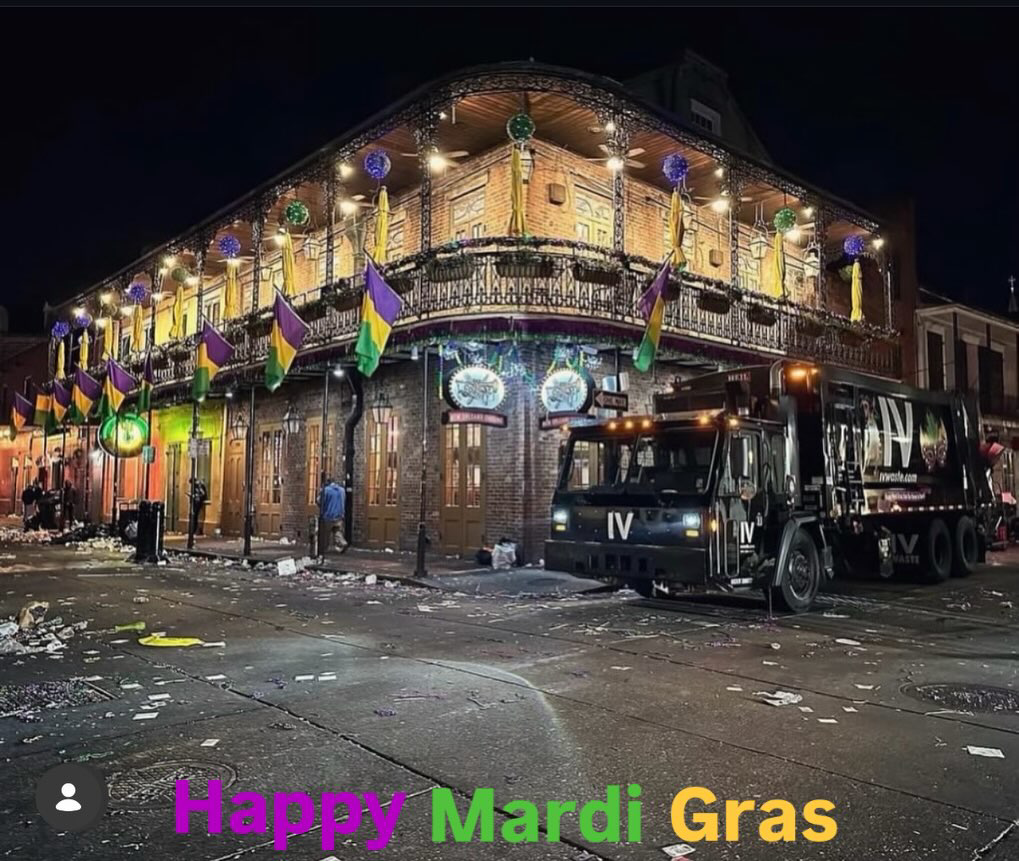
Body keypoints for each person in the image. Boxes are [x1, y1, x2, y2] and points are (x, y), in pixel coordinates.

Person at [317, 477, 348, 554]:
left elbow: (319, 501)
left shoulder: (326, 490)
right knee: (337, 531)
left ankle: (323, 549)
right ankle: (342, 543)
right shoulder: (342, 490)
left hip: (328, 515)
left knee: (325, 533)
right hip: (339, 515)